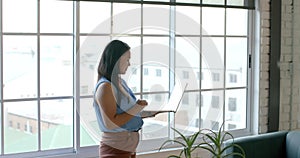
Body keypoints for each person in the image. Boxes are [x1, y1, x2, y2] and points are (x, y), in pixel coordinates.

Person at [93, 40, 159, 158]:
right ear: (116, 60)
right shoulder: (105, 87)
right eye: (127, 60)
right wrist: (137, 107)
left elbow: (126, 114)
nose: (129, 64)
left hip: (128, 148)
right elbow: (110, 124)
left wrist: (148, 113)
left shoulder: (120, 82)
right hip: (115, 149)